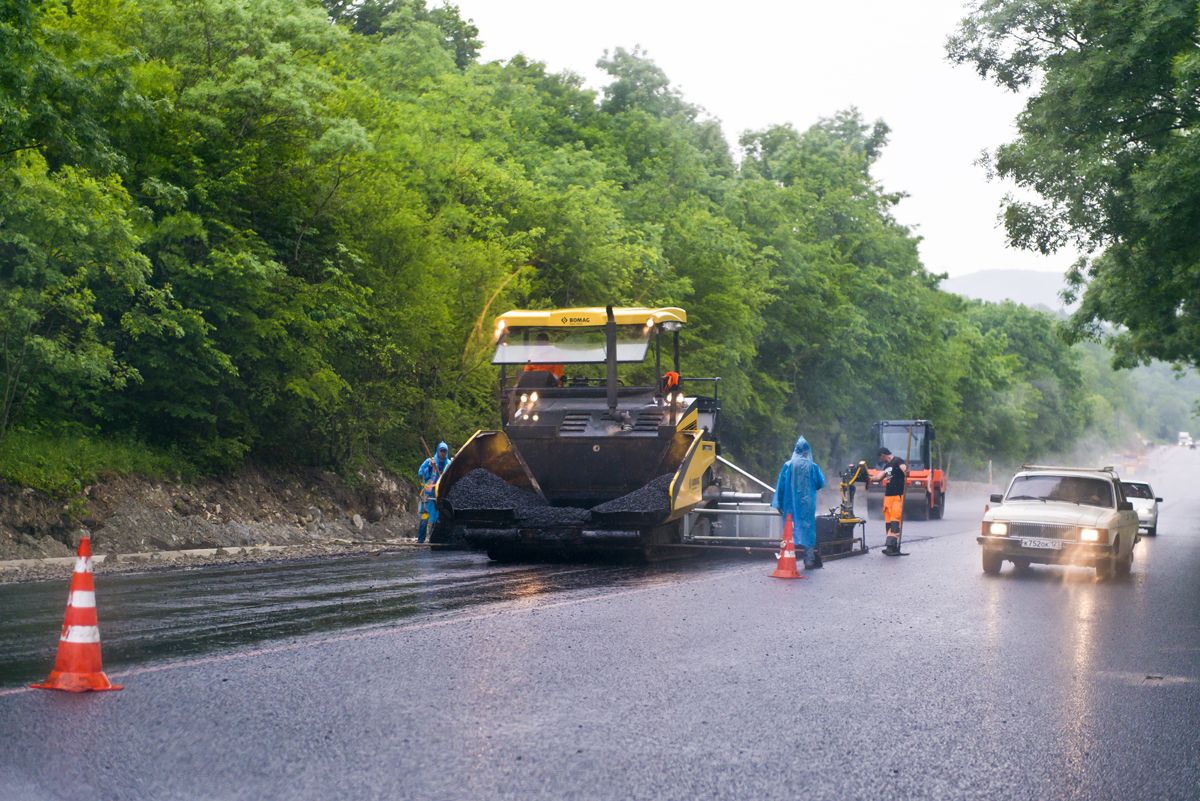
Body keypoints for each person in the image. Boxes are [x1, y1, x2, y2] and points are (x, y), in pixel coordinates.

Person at [771, 436, 827, 569]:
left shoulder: (788, 465)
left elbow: (781, 486)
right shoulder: (813, 467)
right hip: (807, 504)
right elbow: (820, 483)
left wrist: (778, 503)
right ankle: (809, 560)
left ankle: (789, 557)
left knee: (789, 530)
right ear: (807, 451)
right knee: (807, 529)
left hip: (789, 503)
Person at [417, 442, 452, 543]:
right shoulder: (429, 461)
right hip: (428, 495)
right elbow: (421, 473)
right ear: (438, 450)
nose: (443, 453)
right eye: (441, 451)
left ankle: (434, 540)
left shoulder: (449, 464)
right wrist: (430, 467)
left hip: (441, 495)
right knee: (424, 519)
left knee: (438, 520)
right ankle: (420, 540)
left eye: (445, 451)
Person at [878, 447, 907, 555]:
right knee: (888, 521)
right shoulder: (887, 466)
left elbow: (905, 470)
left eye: (880, 457)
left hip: (897, 496)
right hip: (888, 497)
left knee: (895, 520)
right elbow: (879, 477)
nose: (880, 459)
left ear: (883, 454)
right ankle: (890, 545)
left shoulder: (898, 461)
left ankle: (892, 546)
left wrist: (906, 472)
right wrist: (868, 477)